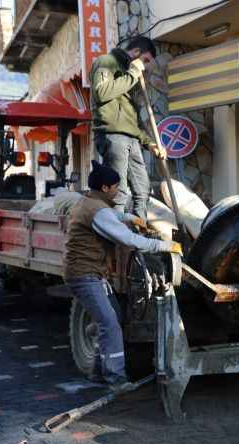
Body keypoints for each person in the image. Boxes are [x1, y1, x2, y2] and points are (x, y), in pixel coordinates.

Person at [63, 161, 181, 390]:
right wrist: (163, 245)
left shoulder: (89, 202)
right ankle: (116, 379)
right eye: (116, 186)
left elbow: (112, 217)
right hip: (85, 275)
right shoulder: (97, 210)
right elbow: (128, 240)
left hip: (91, 274)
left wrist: (130, 218)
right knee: (110, 324)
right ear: (106, 188)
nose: (118, 190)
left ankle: (98, 371)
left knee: (111, 319)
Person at [90, 35, 167, 221]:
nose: (147, 66)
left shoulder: (129, 74)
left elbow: (133, 119)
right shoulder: (106, 62)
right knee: (119, 191)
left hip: (131, 139)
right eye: (146, 60)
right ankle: (117, 239)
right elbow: (101, 92)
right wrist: (133, 73)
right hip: (112, 135)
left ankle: (137, 236)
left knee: (142, 190)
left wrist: (149, 143)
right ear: (136, 53)